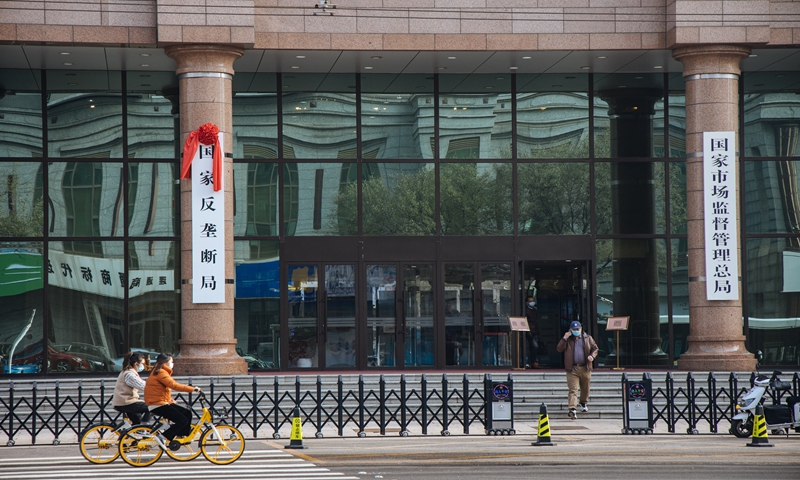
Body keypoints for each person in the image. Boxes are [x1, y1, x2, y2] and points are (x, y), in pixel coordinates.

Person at [144, 353, 201, 450]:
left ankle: (180, 437)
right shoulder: (161, 372)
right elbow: (174, 385)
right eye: (171, 362)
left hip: (161, 402)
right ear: (165, 363)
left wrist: (170, 400)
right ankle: (163, 436)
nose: (173, 364)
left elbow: (160, 391)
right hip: (158, 404)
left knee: (187, 413)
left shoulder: (158, 371)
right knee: (182, 420)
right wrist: (192, 389)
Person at [556, 321, 599, 420]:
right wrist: (564, 338)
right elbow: (559, 348)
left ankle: (583, 402)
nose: (576, 331)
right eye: (574, 329)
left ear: (581, 329)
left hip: (585, 367)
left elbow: (595, 348)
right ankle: (572, 409)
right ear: (570, 330)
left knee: (585, 387)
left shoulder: (588, 338)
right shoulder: (568, 340)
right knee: (573, 389)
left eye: (577, 329)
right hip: (572, 368)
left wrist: (592, 356)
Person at [112, 352, 151, 425]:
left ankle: (135, 432)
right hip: (127, 402)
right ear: (136, 364)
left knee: (137, 423)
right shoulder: (129, 374)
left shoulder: (127, 372)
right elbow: (142, 386)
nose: (143, 366)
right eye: (142, 364)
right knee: (152, 407)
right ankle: (143, 428)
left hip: (125, 401)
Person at [524, 296, 540, 368]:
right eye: (530, 301)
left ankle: (534, 361)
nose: (532, 302)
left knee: (534, 347)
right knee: (534, 346)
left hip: (535, 331)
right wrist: (528, 331)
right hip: (529, 331)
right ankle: (532, 362)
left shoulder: (534, 310)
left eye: (533, 301)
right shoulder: (525, 311)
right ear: (527, 303)